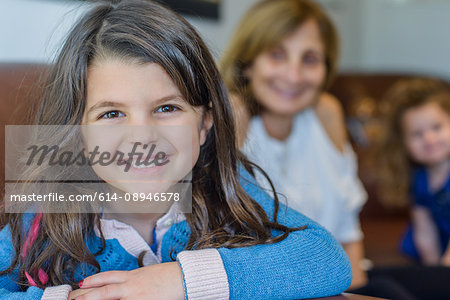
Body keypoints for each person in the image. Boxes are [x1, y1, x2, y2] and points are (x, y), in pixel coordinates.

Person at [0, 1, 352, 300]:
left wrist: (182, 280)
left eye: (167, 108)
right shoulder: (43, 214)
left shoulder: (227, 187)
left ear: (204, 124)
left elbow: (326, 257)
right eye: (111, 113)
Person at [220, 0, 367, 289]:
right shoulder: (233, 115)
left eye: (309, 59)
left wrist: (357, 287)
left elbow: (348, 225)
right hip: (274, 289)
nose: (293, 75)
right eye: (277, 55)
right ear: (247, 63)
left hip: (342, 284)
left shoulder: (326, 111)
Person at [379, 78, 450, 265]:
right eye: (417, 134)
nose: (429, 139)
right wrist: (434, 270)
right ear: (402, 143)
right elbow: (424, 230)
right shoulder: (419, 179)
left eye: (437, 127)